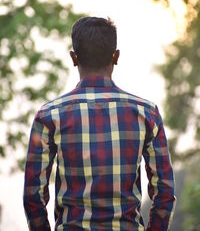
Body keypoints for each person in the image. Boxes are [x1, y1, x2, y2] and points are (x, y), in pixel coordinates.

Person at [23, 17, 176, 231]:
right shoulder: (146, 113)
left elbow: (33, 196)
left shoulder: (49, 116)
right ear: (116, 56)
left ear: (74, 58)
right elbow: (165, 192)